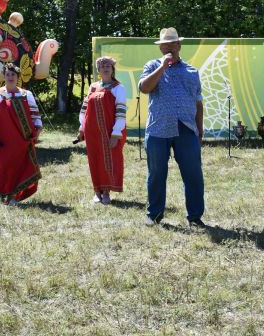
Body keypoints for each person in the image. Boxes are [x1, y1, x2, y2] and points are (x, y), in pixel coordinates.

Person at [139, 27, 206, 227]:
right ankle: (154, 215)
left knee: (193, 174)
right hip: (158, 128)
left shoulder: (192, 72)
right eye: (163, 45)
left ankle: (195, 217)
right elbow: (144, 88)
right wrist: (162, 67)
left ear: (179, 45)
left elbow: (198, 103)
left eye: (171, 44)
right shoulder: (152, 66)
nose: (167, 48)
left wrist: (199, 130)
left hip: (186, 129)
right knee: (157, 174)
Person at [0, 63, 42, 206]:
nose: (10, 77)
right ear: (4, 76)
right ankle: (1, 196)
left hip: (23, 138)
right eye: (7, 74)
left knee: (20, 166)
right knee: (3, 167)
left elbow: (35, 115)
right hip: (4, 139)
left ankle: (14, 196)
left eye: (13, 74)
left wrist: (37, 131)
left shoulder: (27, 95)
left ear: (17, 77)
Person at [77, 56, 127, 204]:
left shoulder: (119, 88)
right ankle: (96, 191)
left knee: (110, 160)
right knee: (94, 160)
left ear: (112, 70)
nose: (105, 68)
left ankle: (106, 192)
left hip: (110, 131)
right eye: (102, 66)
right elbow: (84, 110)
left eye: (108, 66)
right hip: (92, 132)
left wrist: (116, 133)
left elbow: (121, 112)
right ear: (98, 70)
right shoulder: (93, 87)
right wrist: (82, 128)